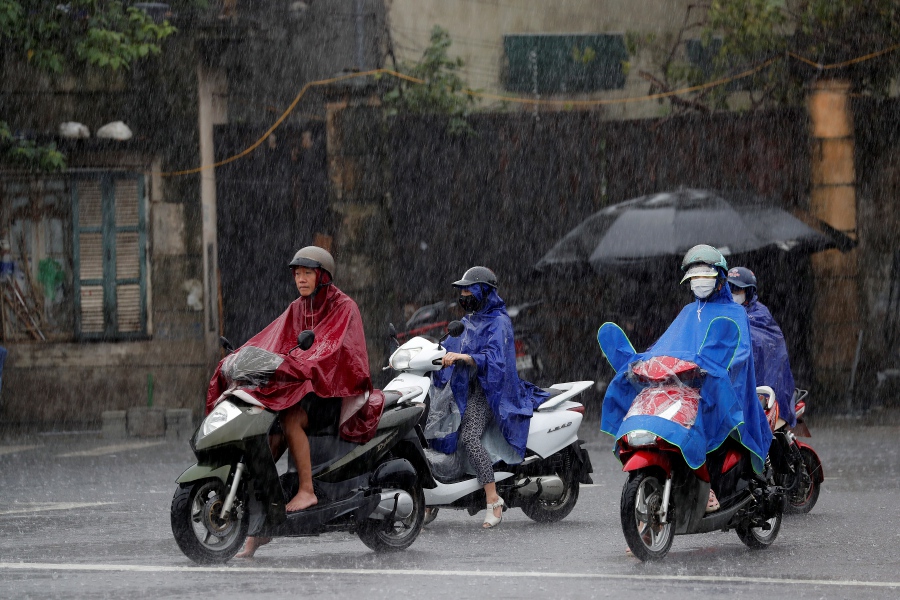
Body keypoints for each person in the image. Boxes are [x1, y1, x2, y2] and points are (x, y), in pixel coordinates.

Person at [205, 246, 374, 558]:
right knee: (266, 432)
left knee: (291, 419)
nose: (301, 279)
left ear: (323, 276)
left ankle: (307, 491)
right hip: (303, 389)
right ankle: (259, 527)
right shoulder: (298, 307)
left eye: (307, 273)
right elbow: (272, 339)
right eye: (297, 273)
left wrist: (303, 365)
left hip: (333, 393)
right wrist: (242, 356)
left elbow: (334, 352)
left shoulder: (344, 307)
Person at [599, 245, 772, 513]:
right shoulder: (688, 312)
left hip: (718, 390)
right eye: (694, 279)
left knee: (699, 421)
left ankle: (709, 485)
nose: (699, 284)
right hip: (684, 388)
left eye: (705, 277)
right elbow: (666, 346)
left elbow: (739, 355)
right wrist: (644, 363)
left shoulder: (735, 313)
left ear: (719, 280)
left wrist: (712, 369)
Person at [430, 266, 549, 528]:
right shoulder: (469, 321)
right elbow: (448, 345)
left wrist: (466, 358)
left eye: (468, 289)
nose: (464, 295)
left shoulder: (499, 322)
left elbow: (497, 362)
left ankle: (493, 499)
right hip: (463, 388)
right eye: (461, 291)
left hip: (489, 391)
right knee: (432, 427)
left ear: (484, 291)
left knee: (469, 437)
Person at [728, 266, 797, 427]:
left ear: (749, 292)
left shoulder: (759, 314)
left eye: (737, 290)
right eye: (729, 288)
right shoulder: (719, 312)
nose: (732, 293)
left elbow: (763, 343)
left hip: (758, 383)